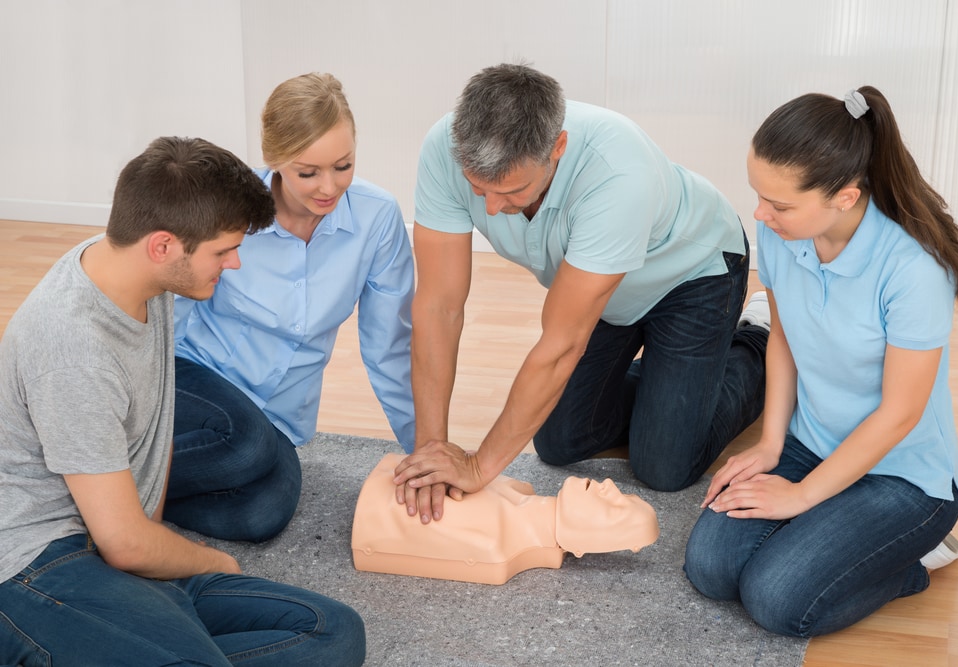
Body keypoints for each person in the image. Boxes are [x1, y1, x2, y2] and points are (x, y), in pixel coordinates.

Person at [0, 137, 365, 665]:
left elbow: (143, 485)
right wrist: (215, 562)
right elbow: (124, 541)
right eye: (223, 250)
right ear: (163, 246)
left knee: (332, 631)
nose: (235, 263)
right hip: (36, 566)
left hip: (112, 558)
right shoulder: (72, 346)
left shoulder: (139, 278)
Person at [392, 63, 769, 524]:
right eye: (477, 189)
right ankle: (671, 384)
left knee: (665, 466)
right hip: (606, 296)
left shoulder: (617, 173)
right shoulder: (442, 148)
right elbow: (438, 306)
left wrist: (477, 466)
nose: (491, 208)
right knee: (559, 442)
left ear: (558, 149)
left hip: (693, 276)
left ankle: (756, 340)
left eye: (511, 190)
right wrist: (432, 450)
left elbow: (561, 344)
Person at [683, 87, 958, 637]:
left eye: (780, 204)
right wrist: (771, 443)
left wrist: (799, 495)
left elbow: (899, 415)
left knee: (777, 601)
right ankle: (834, 530)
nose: (760, 214)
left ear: (844, 196)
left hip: (904, 475)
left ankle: (906, 568)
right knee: (711, 569)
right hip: (811, 442)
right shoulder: (782, 235)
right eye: (758, 195)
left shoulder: (913, 269)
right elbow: (783, 339)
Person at [168, 72, 415, 542]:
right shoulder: (227, 211)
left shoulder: (377, 218)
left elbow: (390, 347)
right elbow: (168, 307)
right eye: (308, 172)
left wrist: (423, 448)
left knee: (263, 515)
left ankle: (132, 495)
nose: (329, 187)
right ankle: (94, 484)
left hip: (278, 415)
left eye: (343, 165)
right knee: (244, 450)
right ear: (275, 159)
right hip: (197, 378)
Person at [353, 454, 659, 585]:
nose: (608, 485)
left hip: (376, 508)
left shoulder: (495, 546)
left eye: (616, 506)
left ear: (587, 540)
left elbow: (404, 525)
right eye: (622, 493)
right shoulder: (518, 488)